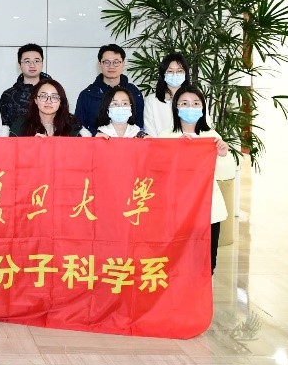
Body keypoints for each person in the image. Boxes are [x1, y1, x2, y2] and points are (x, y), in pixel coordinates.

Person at [159, 85, 233, 275]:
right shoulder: (165, 137)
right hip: (176, 213)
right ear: (176, 107)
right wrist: (179, 151)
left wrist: (223, 155)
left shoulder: (212, 137)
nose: (190, 108)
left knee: (205, 266)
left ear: (202, 108)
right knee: (175, 266)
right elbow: (159, 175)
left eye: (195, 103)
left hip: (208, 212)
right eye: (184, 103)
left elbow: (225, 175)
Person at [75, 44, 144, 135]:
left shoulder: (134, 93)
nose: (111, 66)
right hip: (95, 142)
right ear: (100, 64)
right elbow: (79, 128)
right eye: (106, 62)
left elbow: (139, 126)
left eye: (116, 62)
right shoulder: (87, 95)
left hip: (129, 142)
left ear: (123, 64)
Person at [9, 78, 90, 137]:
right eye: (43, 96)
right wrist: (31, 145)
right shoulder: (21, 124)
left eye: (54, 97)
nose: (48, 101)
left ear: (61, 102)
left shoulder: (72, 125)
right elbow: (11, 152)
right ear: (35, 100)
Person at [0, 43, 51, 129]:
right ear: (20, 65)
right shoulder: (8, 95)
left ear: (42, 63)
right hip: (17, 137)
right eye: (27, 61)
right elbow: (4, 127)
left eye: (36, 61)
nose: (32, 65)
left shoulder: (55, 92)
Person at [144, 53, 191, 137]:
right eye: (170, 71)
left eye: (179, 71)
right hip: (160, 144)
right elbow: (150, 133)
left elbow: (205, 127)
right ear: (163, 74)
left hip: (190, 144)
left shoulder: (195, 98)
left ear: (185, 74)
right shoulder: (151, 100)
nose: (175, 74)